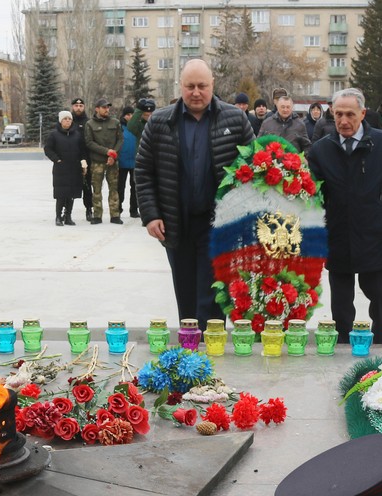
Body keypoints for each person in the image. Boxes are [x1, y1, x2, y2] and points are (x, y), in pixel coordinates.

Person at [135, 59, 254, 330]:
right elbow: (143, 171)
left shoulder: (235, 119)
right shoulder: (160, 122)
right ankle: (190, 349)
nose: (196, 92)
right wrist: (151, 216)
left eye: (202, 86)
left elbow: (253, 170)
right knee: (186, 289)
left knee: (213, 293)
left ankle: (212, 347)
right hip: (177, 224)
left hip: (218, 225)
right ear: (181, 86)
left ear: (213, 85)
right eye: (190, 86)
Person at [307, 87, 382, 345]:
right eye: (338, 114)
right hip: (338, 236)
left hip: (376, 235)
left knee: (378, 297)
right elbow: (311, 199)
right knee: (341, 304)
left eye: (350, 114)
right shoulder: (320, 150)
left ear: (363, 113)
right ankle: (344, 349)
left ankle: (380, 344)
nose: (343, 121)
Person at [44, 110, 87, 227]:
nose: (67, 121)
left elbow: (83, 150)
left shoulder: (77, 134)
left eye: (69, 119)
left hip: (74, 168)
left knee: (71, 194)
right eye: (65, 119)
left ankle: (68, 216)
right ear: (60, 120)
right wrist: (56, 159)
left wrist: (83, 163)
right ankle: (58, 216)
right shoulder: (54, 134)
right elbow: (48, 149)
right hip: (61, 169)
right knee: (61, 194)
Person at [84, 98, 123, 225]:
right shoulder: (90, 124)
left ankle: (115, 215)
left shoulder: (115, 122)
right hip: (97, 162)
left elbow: (120, 140)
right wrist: (106, 152)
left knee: (114, 188)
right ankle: (97, 215)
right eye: (104, 107)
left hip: (113, 161)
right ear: (97, 109)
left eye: (108, 107)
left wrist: (113, 155)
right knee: (96, 189)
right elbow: (89, 142)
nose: (107, 109)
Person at [70, 97, 93, 221]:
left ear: (84, 107)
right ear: (72, 107)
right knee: (69, 186)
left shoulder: (88, 122)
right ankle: (67, 211)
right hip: (71, 158)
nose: (78, 108)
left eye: (81, 106)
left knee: (87, 186)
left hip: (86, 158)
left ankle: (89, 209)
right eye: (76, 106)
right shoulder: (68, 121)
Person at [117, 106, 138, 219]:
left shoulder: (137, 127)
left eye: (132, 114)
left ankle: (134, 210)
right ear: (124, 116)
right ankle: (118, 208)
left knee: (135, 187)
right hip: (121, 162)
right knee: (120, 187)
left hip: (135, 162)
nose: (130, 117)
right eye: (127, 114)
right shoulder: (119, 127)